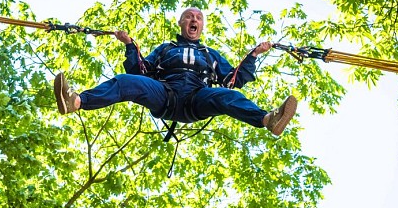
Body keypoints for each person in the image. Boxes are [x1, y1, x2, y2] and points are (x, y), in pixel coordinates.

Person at [53, 7, 297, 137]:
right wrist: (129, 45)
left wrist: (253, 55)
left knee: (227, 96)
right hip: (165, 95)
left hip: (196, 99)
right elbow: (140, 70)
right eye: (189, 16)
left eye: (198, 18)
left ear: (201, 26)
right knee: (127, 81)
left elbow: (233, 80)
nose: (194, 20)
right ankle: (75, 101)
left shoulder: (209, 54)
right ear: (181, 23)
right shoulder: (165, 49)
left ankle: (267, 119)